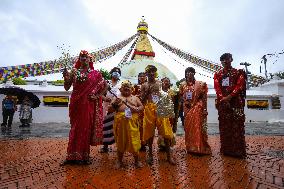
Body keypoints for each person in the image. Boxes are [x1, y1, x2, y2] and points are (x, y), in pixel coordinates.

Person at [61, 50, 108, 165]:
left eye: (86, 57)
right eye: (82, 57)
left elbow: (105, 86)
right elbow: (67, 87)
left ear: (90, 60)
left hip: (88, 104)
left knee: (85, 129)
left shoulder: (96, 73)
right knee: (75, 128)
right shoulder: (74, 72)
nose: (84, 59)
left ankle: (84, 156)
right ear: (79, 59)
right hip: (76, 104)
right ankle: (71, 156)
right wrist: (66, 78)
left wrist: (97, 96)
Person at [140, 65, 176, 165]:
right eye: (150, 72)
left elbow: (165, 95)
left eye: (153, 71)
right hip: (149, 109)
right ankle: (150, 155)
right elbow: (142, 100)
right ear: (146, 73)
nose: (152, 73)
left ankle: (169, 156)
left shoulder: (160, 83)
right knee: (149, 133)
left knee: (166, 132)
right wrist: (147, 91)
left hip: (160, 108)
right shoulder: (144, 85)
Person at [214, 53, 247, 158]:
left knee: (237, 126)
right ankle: (226, 150)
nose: (224, 61)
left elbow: (239, 86)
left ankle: (238, 151)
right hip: (223, 104)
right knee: (225, 126)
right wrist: (222, 98)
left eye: (226, 59)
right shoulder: (218, 74)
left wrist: (229, 97)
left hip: (236, 103)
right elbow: (217, 87)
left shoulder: (238, 73)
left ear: (231, 59)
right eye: (222, 60)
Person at [110, 80, 144, 168]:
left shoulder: (135, 98)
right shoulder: (117, 97)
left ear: (131, 89)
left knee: (134, 141)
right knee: (120, 141)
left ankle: (137, 161)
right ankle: (119, 161)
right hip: (120, 124)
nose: (126, 88)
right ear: (121, 89)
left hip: (132, 122)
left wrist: (136, 109)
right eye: (124, 87)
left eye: (128, 87)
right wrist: (114, 104)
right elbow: (110, 109)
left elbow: (141, 107)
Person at [179, 67, 211, 155]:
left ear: (194, 74)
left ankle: (199, 148)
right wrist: (185, 102)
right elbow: (181, 96)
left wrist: (204, 109)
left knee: (197, 127)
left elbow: (204, 98)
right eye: (187, 73)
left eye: (191, 72)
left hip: (197, 108)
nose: (189, 74)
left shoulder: (200, 84)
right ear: (185, 74)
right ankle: (190, 148)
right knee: (188, 128)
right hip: (187, 109)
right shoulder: (182, 85)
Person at [100, 67, 122, 153]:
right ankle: (105, 147)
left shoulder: (121, 84)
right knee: (106, 127)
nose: (116, 73)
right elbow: (100, 94)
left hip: (118, 108)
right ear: (111, 73)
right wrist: (105, 99)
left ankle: (119, 147)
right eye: (114, 72)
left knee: (117, 128)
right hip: (107, 108)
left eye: (118, 72)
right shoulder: (107, 83)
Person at [132, 72, 147, 151]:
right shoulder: (135, 86)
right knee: (138, 126)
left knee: (145, 126)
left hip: (147, 108)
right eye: (140, 76)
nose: (141, 77)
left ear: (146, 77)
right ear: (138, 77)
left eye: (143, 76)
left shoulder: (149, 86)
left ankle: (144, 143)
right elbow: (132, 96)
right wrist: (137, 97)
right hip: (138, 109)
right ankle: (138, 142)